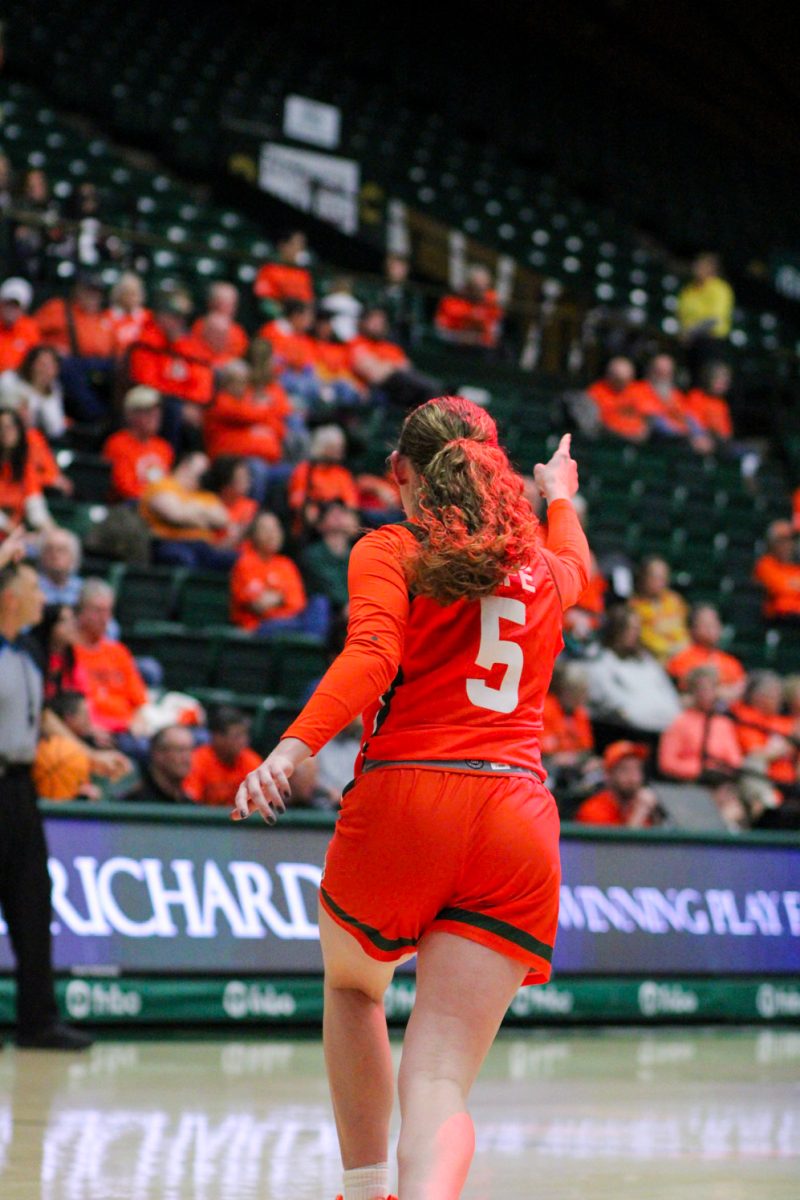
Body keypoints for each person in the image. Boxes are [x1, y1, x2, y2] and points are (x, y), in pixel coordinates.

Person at [233, 396, 590, 1200]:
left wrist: (293, 748)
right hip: (516, 820)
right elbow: (579, 571)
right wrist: (560, 495)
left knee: (356, 987)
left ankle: (365, 1191)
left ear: (400, 474)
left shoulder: (391, 547)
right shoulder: (541, 565)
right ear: (497, 471)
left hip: (407, 800)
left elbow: (372, 655)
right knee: (438, 1085)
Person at [0, 557, 93, 1049]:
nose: (45, 597)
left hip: (20, 788)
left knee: (34, 904)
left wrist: (89, 755)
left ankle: (38, 1022)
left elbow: (43, 722)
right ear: (10, 596)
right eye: (35, 587)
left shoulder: (30, 652)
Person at [584, 605, 682, 735]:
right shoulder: (598, 660)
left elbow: (669, 695)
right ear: (616, 630)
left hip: (663, 726)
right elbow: (619, 707)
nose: (635, 633)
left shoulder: (645, 660)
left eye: (637, 628)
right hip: (625, 731)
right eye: (629, 628)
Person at [73, 579, 149, 743]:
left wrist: (138, 724)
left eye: (108, 611)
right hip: (92, 732)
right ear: (80, 612)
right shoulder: (70, 654)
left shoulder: (118, 651)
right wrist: (91, 729)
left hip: (127, 731)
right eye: (97, 611)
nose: (104, 618)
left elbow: (140, 703)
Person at [139, 450, 237, 570]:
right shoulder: (162, 485)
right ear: (185, 465)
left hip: (204, 547)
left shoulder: (206, 494)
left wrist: (186, 509)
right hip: (171, 542)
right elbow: (175, 515)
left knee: (236, 560)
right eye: (201, 468)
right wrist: (204, 517)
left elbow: (223, 519)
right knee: (183, 558)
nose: (205, 473)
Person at [229, 511, 310, 634]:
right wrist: (283, 596)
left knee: (319, 604)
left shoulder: (286, 564)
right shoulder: (245, 562)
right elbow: (258, 605)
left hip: (291, 623)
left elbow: (298, 604)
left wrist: (276, 597)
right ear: (254, 535)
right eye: (266, 529)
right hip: (259, 627)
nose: (272, 534)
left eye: (276, 529)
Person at [102, 385, 174, 502]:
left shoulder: (163, 447)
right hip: (128, 508)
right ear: (131, 414)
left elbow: (168, 485)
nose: (155, 416)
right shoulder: (118, 443)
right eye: (147, 411)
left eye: (157, 411)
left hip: (159, 507)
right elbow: (124, 488)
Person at [667, 603, 746, 704]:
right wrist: (723, 692)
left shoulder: (731, 662)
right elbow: (692, 693)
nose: (711, 628)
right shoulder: (680, 659)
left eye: (714, 623)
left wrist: (714, 693)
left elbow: (741, 691)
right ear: (691, 629)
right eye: (705, 624)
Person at [183, 706, 261, 807]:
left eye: (244, 735)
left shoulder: (251, 760)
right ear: (217, 737)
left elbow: (258, 804)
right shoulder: (198, 759)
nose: (243, 741)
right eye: (237, 736)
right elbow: (191, 802)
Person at [573, 741, 663, 827]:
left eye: (637, 769)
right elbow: (620, 842)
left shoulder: (644, 805)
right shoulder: (593, 809)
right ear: (608, 775)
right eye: (625, 770)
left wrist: (655, 816)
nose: (633, 777)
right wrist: (640, 812)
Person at [676, 253, 734, 383]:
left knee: (707, 381)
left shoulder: (720, 288)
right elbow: (680, 314)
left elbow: (715, 320)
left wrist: (690, 332)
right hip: (689, 343)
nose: (696, 268)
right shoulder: (688, 290)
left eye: (701, 265)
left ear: (712, 269)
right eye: (696, 265)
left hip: (711, 343)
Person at [300, 501, 361, 618]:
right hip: (327, 612)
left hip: (354, 607)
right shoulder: (313, 554)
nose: (337, 515)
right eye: (331, 513)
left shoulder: (357, 552)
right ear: (320, 525)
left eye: (341, 512)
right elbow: (327, 586)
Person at [629, 555, 690, 664]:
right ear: (643, 577)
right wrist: (671, 650)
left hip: (683, 656)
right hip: (653, 661)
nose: (661, 582)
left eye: (663, 577)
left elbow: (685, 630)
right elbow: (645, 639)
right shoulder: (634, 607)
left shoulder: (674, 600)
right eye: (655, 577)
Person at [0, 344, 67, 440]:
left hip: (33, 441)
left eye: (51, 366)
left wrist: (43, 397)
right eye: (42, 364)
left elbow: (56, 429)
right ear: (31, 363)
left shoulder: (54, 390)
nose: (46, 370)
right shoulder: (9, 380)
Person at [434, 265, 503, 349]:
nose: (481, 293)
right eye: (476, 288)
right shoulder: (451, 301)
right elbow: (441, 331)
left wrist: (480, 338)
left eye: (485, 288)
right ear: (468, 286)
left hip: (482, 350)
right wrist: (460, 338)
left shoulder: (491, 301)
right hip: (453, 347)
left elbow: (495, 331)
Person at [130, 724, 194, 803]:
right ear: (158, 754)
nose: (187, 758)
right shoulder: (135, 802)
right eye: (180, 750)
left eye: (190, 750)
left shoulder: (188, 805)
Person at [753, 520, 800, 622]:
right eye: (782, 540)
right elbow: (780, 587)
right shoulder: (765, 564)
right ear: (772, 543)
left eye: (790, 540)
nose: (787, 545)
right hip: (778, 620)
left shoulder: (796, 566)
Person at [254, 230, 314, 309]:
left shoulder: (303, 274)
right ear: (283, 246)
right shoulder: (269, 269)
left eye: (302, 246)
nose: (299, 250)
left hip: (299, 318)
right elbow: (265, 303)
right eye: (295, 245)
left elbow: (308, 302)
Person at [191, 281, 249, 363]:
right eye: (225, 302)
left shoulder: (237, 331)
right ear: (212, 302)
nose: (232, 307)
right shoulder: (200, 326)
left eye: (233, 303)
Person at [0, 277, 41, 373]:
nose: (11, 310)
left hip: (17, 381)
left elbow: (34, 362)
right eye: (8, 304)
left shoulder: (30, 329)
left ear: (24, 309)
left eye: (16, 306)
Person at [38, 527, 83, 606]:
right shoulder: (32, 587)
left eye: (61, 550)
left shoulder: (83, 590)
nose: (55, 555)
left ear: (73, 556)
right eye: (49, 549)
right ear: (42, 555)